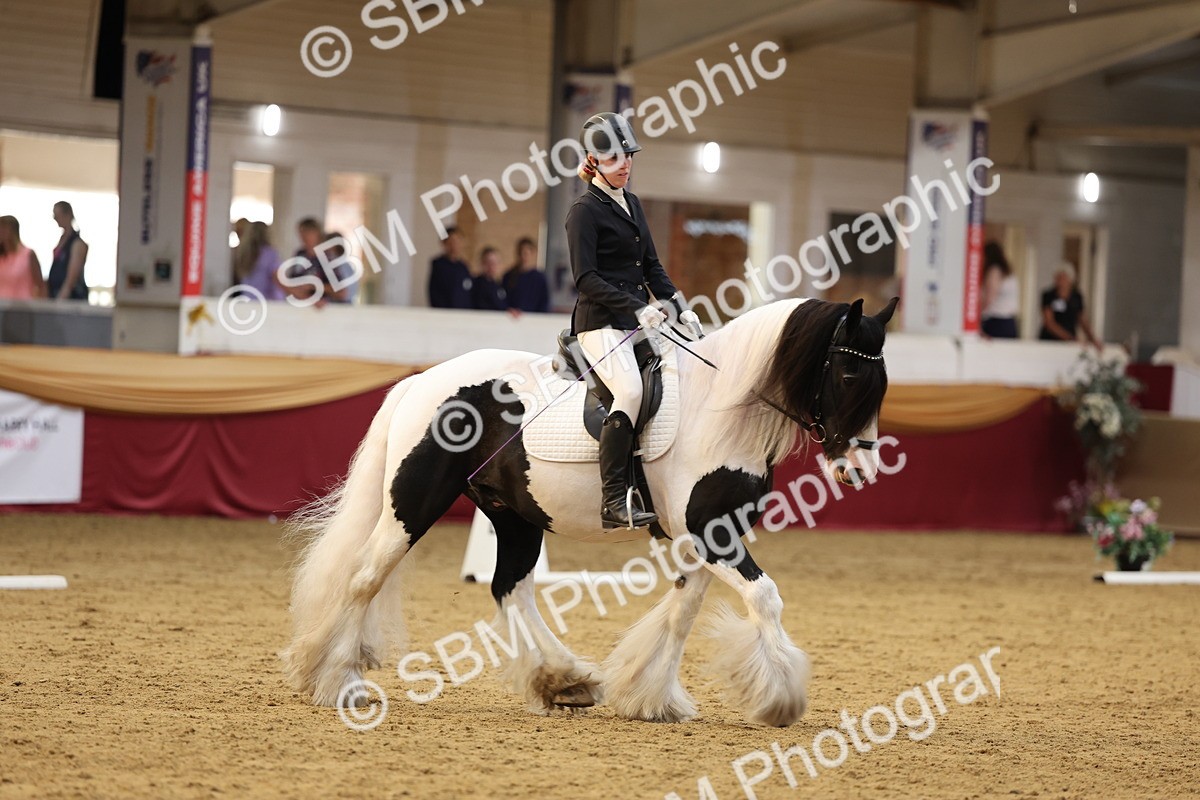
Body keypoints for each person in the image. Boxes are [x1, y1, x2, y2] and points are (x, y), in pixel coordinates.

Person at [566, 111, 702, 530]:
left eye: (628, 155)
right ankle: (613, 501)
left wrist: (680, 306)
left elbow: (652, 269)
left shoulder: (633, 203)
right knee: (629, 391)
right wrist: (635, 307)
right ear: (594, 161)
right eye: (614, 159)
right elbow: (585, 278)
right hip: (599, 325)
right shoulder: (584, 211)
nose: (624, 163)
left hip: (636, 323)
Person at [283, 217, 346, 304]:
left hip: (322, 309)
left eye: (308, 233)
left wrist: (313, 286)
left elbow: (341, 292)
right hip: (299, 305)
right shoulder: (300, 254)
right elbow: (290, 283)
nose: (304, 237)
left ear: (317, 234)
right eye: (302, 233)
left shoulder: (327, 258)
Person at [1039, 261, 1101, 348]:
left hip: (1070, 341)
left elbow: (1082, 319)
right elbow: (1049, 322)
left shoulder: (1076, 297)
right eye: (1058, 277)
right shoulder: (1049, 296)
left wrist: (1092, 339)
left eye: (1064, 277)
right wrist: (1069, 338)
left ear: (1071, 279)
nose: (1061, 281)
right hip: (1050, 340)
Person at [232, 221, 285, 301]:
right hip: (268, 301)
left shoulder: (244, 253)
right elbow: (277, 278)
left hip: (248, 298)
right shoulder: (269, 253)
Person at [48, 201, 88, 301]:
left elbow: (72, 278)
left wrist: (62, 298)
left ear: (68, 215)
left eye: (58, 215)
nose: (55, 219)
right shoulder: (62, 240)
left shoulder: (77, 244)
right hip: (55, 292)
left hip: (70, 297)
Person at [0, 216, 46, 299]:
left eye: (3, 229)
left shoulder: (28, 254)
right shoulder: (2, 257)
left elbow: (40, 285)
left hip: (23, 308)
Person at [980, 241, 1018, 339]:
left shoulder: (994, 271)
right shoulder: (1009, 273)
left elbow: (989, 298)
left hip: (996, 322)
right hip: (1009, 321)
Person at [428, 226, 473, 308]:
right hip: (444, 312)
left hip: (463, 313)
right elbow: (434, 292)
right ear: (444, 243)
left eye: (458, 241)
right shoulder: (438, 265)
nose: (455, 245)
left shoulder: (464, 267)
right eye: (451, 241)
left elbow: (467, 291)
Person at [504, 236, 550, 312]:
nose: (523, 256)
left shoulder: (539, 278)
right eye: (521, 253)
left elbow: (544, 302)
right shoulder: (509, 276)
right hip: (512, 319)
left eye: (526, 253)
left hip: (533, 320)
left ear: (532, 254)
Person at [471, 246, 511, 312]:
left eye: (495, 262)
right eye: (489, 262)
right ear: (482, 263)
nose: (492, 266)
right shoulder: (476, 285)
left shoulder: (500, 286)